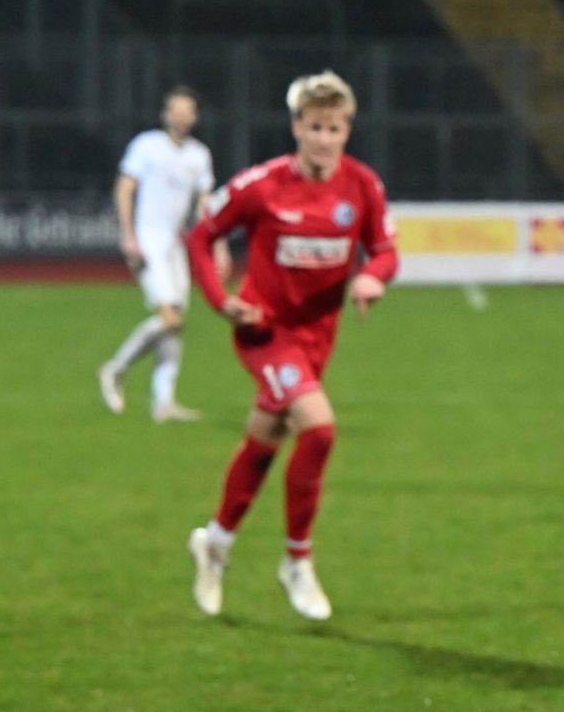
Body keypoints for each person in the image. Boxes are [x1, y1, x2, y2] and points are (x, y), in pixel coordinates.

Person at [183, 70, 399, 622]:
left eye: (334, 128)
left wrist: (371, 277)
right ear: (296, 127)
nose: (324, 138)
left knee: (266, 439)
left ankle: (215, 542)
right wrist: (220, 301)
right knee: (319, 429)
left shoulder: (362, 186)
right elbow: (201, 236)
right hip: (265, 331)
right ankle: (297, 561)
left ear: (347, 130)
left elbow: (384, 251)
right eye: (314, 127)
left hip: (317, 339)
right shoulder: (262, 185)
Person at [98, 86, 216, 422]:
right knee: (169, 318)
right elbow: (125, 188)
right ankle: (115, 369)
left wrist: (216, 244)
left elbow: (204, 203)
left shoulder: (199, 155)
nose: (180, 116)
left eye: (187, 111)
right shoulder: (146, 145)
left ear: (195, 117)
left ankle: (163, 403)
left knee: (175, 323)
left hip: (175, 245)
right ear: (165, 114)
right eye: (175, 110)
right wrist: (128, 236)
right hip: (148, 239)